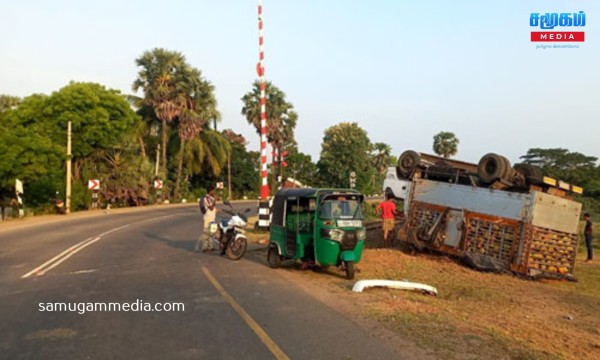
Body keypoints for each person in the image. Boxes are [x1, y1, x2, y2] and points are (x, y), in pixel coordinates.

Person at [196, 187, 219, 252]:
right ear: (210, 191)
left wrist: (216, 210)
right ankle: (205, 247)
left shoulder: (211, 198)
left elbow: (212, 208)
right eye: (213, 191)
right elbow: (211, 207)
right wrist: (215, 201)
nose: (214, 192)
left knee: (212, 232)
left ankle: (210, 246)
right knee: (206, 232)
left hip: (212, 217)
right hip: (208, 218)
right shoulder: (206, 198)